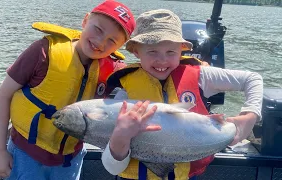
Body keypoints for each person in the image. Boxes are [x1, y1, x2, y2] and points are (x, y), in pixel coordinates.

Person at [101, 9, 263, 180]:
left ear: (182, 50)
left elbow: (252, 79)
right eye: (152, 52)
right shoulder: (124, 95)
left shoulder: (202, 76)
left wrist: (250, 115)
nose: (162, 60)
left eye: (171, 52)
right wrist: (120, 137)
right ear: (136, 52)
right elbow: (112, 167)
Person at [0, 1, 136, 179]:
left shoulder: (113, 70)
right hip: (25, 154)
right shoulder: (42, 51)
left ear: (120, 46)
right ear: (85, 20)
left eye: (112, 41)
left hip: (70, 160)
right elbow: (3, 96)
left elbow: (145, 78)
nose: (100, 42)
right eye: (98, 29)